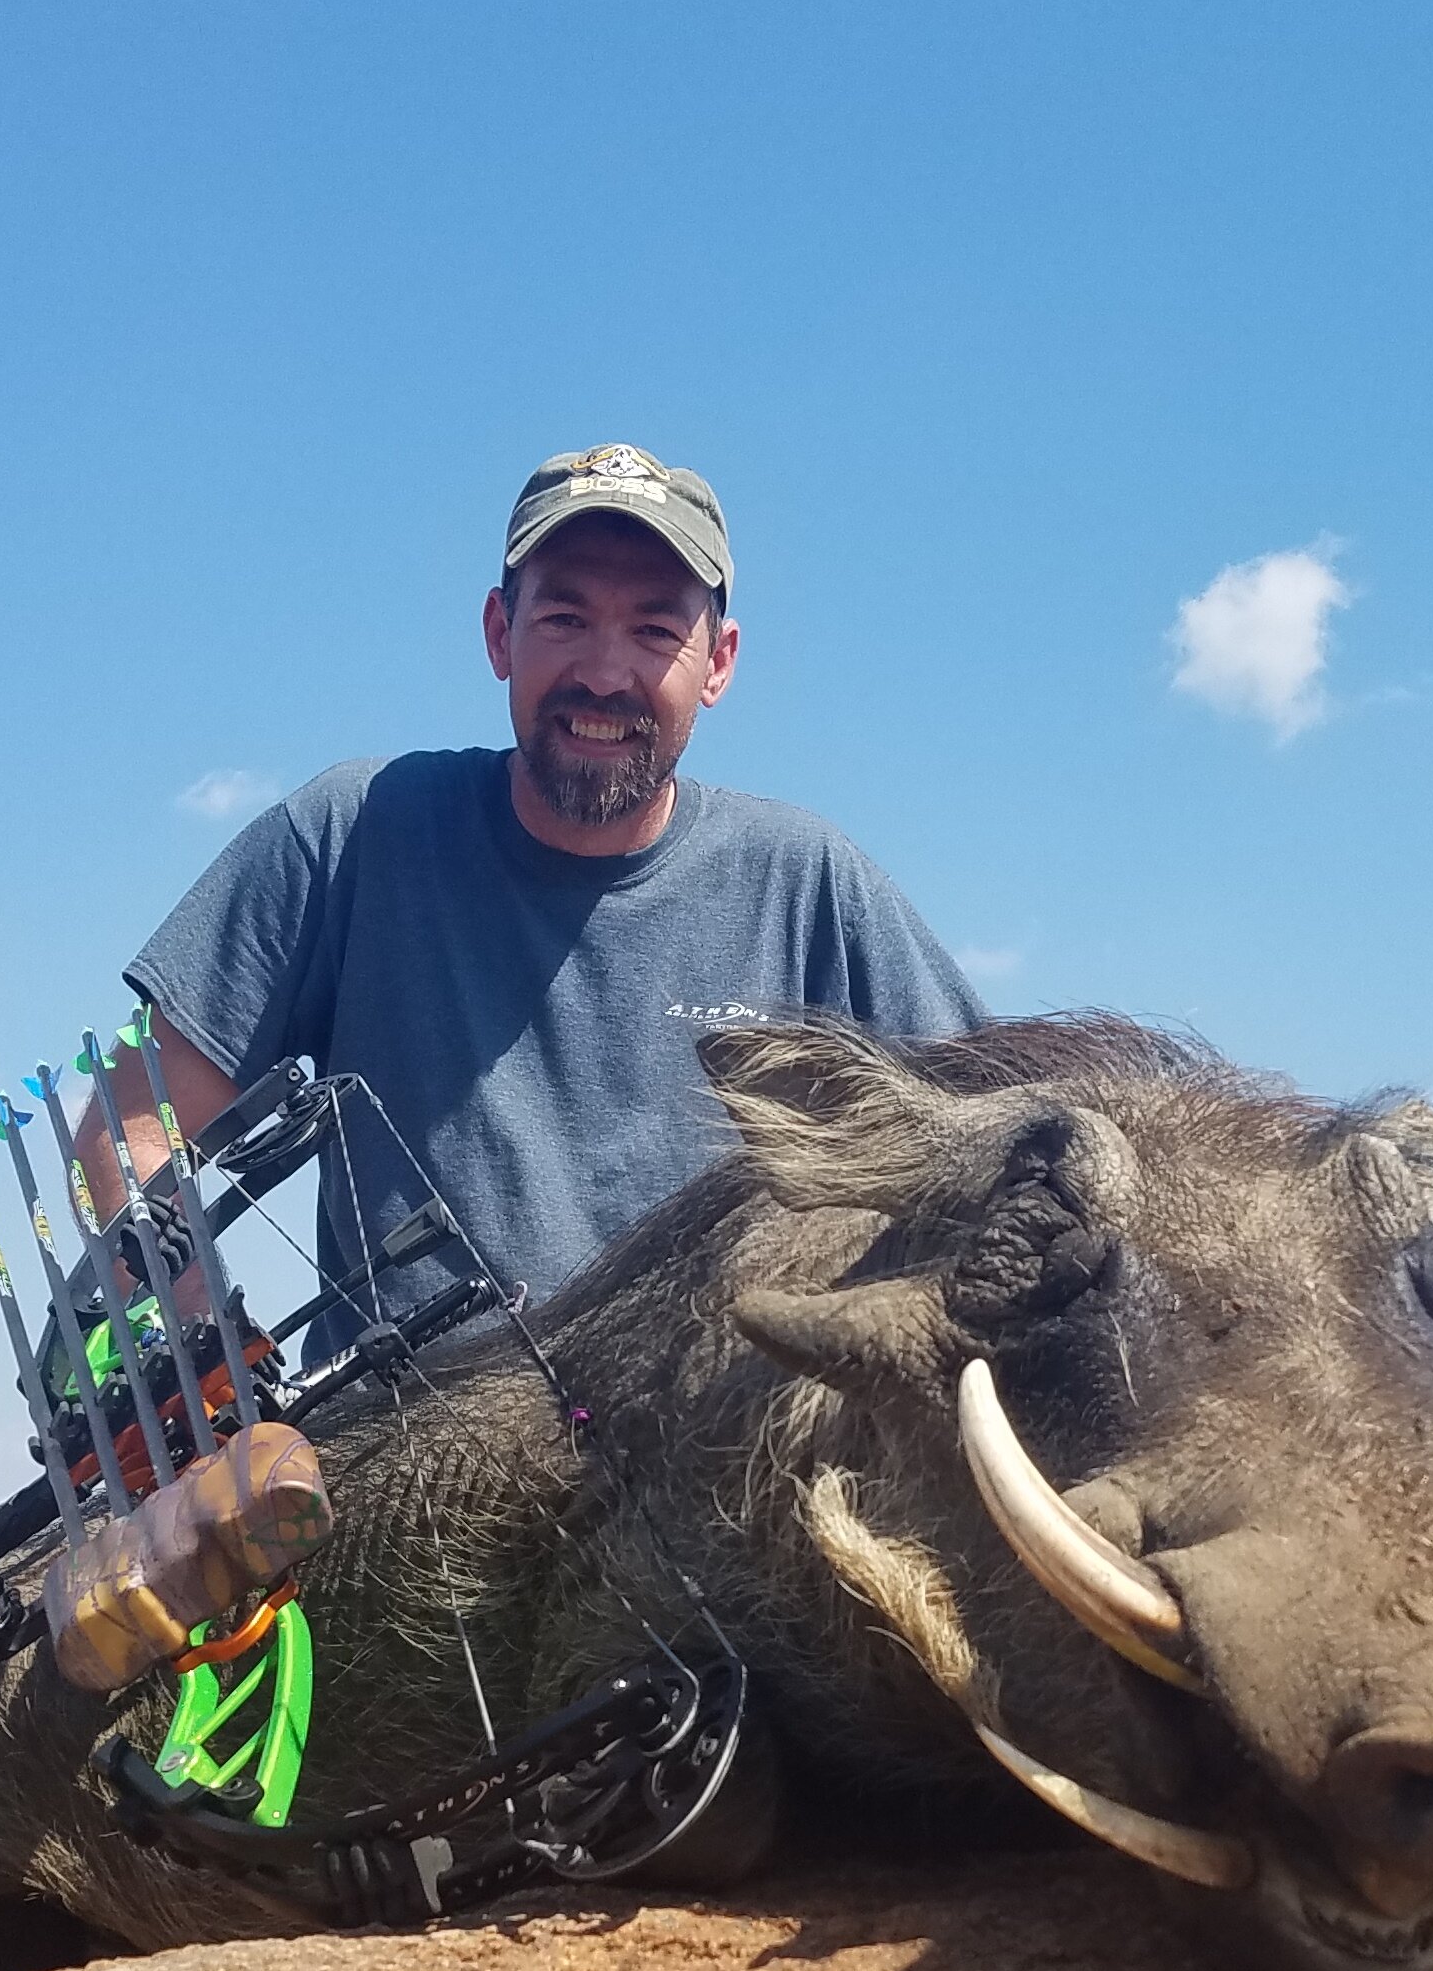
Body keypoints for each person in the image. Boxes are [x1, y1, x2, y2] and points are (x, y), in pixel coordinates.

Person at [81, 444, 986, 1323]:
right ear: (498, 634)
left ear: (718, 663)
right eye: (564, 619)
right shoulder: (353, 830)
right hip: (398, 1464)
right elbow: (126, 1129)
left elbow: (989, 1151)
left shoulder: (810, 883)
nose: (603, 672)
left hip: (714, 1462)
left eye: (655, 630)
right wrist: (212, 1371)